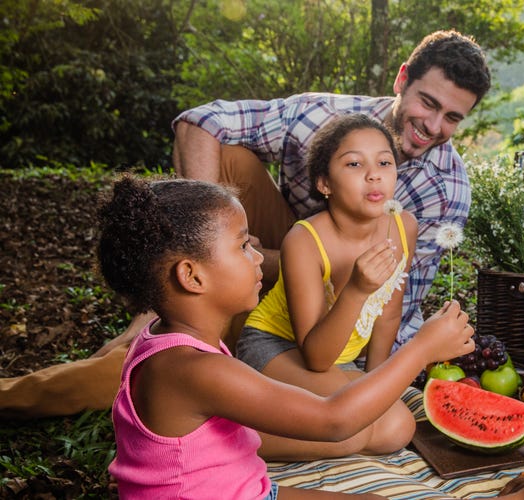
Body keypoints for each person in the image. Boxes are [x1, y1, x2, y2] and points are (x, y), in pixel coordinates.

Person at [0, 29, 491, 419]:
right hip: (269, 260)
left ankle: (179, 334)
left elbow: (392, 307)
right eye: (428, 103)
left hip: (330, 305)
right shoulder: (321, 116)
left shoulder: (445, 193)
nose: (433, 126)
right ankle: (171, 305)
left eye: (452, 117)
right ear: (402, 79)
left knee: (371, 415)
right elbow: (199, 122)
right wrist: (213, 256)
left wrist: (374, 378)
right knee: (228, 155)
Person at [100, 175, 524, 500]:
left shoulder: (172, 344)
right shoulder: (193, 369)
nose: (259, 257)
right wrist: (422, 347)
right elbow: (334, 421)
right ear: (192, 276)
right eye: (243, 245)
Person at [237, 113, 419, 459]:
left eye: (384, 162)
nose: (374, 174)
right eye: (354, 164)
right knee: (362, 427)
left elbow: (388, 314)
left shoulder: (403, 227)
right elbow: (317, 358)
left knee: (396, 427)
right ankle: (224, 439)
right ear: (324, 184)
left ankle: (287, 423)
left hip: (341, 361)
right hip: (278, 347)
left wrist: (376, 383)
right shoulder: (304, 240)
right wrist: (357, 289)